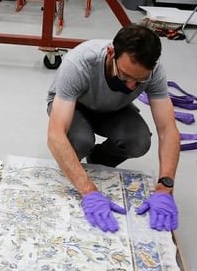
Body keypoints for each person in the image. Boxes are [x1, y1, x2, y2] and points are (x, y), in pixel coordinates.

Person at [46, 24, 180, 233]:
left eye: (140, 80)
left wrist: (165, 187)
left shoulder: (154, 72)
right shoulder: (79, 63)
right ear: (111, 53)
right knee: (81, 141)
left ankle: (98, 161)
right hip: (75, 106)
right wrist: (89, 191)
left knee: (139, 140)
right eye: (125, 76)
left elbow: (168, 129)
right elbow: (55, 134)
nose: (130, 86)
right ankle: (80, 165)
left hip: (114, 108)